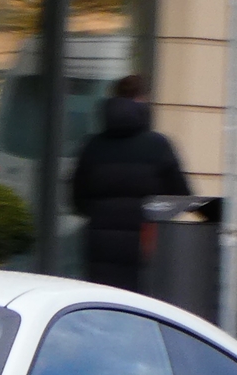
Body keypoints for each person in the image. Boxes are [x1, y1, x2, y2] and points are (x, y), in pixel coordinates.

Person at [69, 73, 188, 293]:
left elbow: (76, 200)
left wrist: (103, 214)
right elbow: (181, 196)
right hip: (143, 243)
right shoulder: (158, 145)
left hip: (99, 244)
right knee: (138, 305)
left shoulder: (92, 146)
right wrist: (151, 216)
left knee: (101, 302)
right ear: (142, 100)